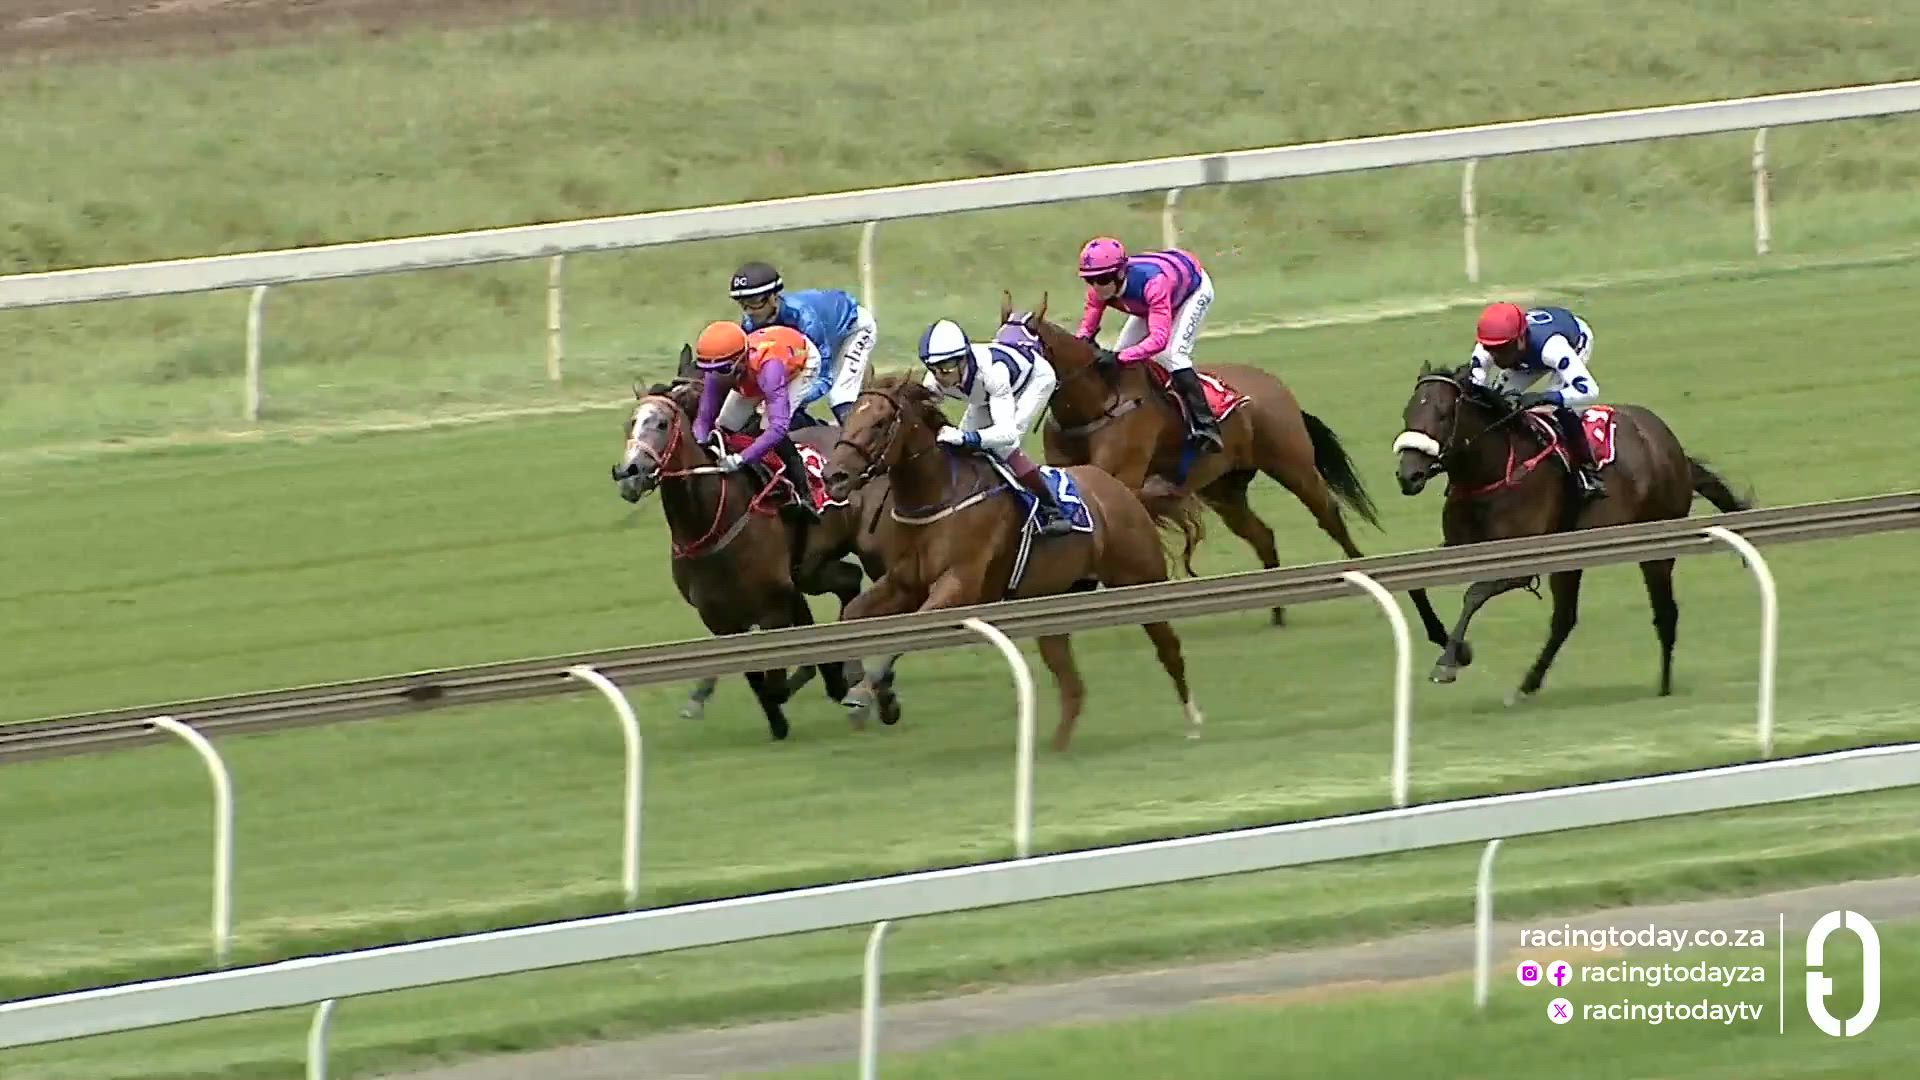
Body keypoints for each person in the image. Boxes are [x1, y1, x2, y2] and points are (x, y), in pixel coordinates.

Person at [917, 318, 1077, 537]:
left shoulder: (993, 372)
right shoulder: (934, 380)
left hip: (1032, 382)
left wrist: (966, 436)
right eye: (933, 368)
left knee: (1004, 446)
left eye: (945, 368)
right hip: (986, 395)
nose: (939, 376)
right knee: (959, 449)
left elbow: (1007, 433)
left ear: (963, 360)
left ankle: (1052, 510)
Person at [1073, 237, 1223, 451]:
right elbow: (1086, 330)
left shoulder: (1153, 284)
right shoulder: (1098, 291)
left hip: (1191, 290)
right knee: (1122, 352)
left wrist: (1118, 358)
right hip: (1154, 299)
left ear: (1120, 273)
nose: (1096, 287)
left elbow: (1158, 340)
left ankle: (1207, 427)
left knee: (1172, 355)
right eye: (1090, 280)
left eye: (1103, 279)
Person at [1468, 301, 1606, 501]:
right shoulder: (1487, 348)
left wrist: (1545, 397)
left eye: (1504, 349)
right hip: (1525, 357)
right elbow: (1476, 389)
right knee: (1496, 402)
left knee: (1561, 411)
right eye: (1492, 350)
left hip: (1574, 343)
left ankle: (1587, 471)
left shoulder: (1553, 348)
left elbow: (1589, 390)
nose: (1497, 358)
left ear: (1520, 339)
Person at [689, 320, 822, 523]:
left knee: (767, 426)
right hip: (754, 372)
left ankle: (805, 494)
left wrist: (741, 458)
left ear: (741, 360)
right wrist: (700, 444)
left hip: (800, 364)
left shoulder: (770, 369)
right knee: (725, 424)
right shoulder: (718, 370)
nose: (716, 377)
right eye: (709, 370)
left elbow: (778, 428)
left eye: (723, 370)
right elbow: (705, 418)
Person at [729, 260, 877, 425]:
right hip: (825, 334)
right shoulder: (750, 324)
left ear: (773, 297)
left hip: (853, 328)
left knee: (840, 397)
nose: (749, 311)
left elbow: (824, 379)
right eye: (743, 304)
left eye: (754, 302)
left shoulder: (804, 318)